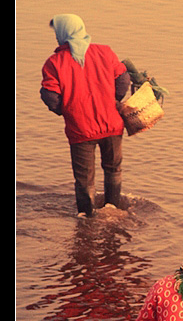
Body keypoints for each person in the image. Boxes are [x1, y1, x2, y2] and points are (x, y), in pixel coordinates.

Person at [40, 14, 130, 217]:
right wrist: (113, 99)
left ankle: (86, 217)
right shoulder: (104, 52)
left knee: (84, 179)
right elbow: (123, 79)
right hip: (112, 124)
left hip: (80, 129)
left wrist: (67, 110)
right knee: (113, 169)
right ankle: (112, 209)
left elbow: (50, 96)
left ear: (62, 33)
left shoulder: (54, 63)